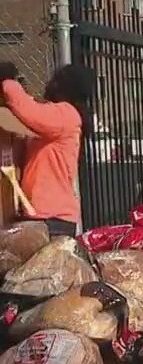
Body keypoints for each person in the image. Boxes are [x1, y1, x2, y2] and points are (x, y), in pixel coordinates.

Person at [0, 62, 91, 237]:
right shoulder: (59, 118)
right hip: (44, 215)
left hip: (51, 217)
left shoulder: (66, 114)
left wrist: (8, 81)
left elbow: (29, 111)